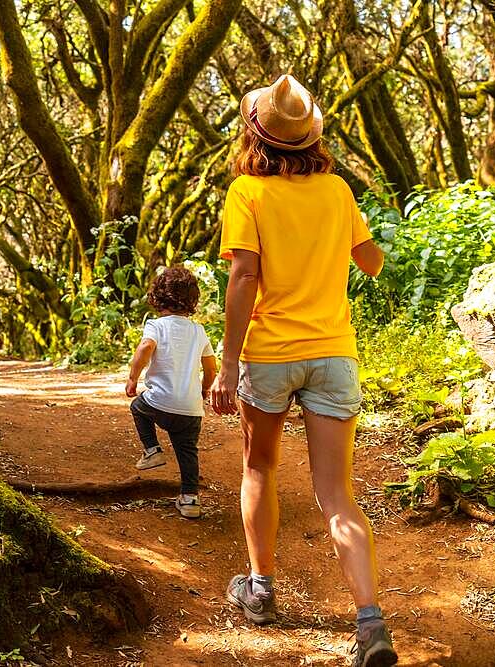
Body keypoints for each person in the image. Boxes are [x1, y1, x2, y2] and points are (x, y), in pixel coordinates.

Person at [209, 74, 393, 667]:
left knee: (259, 466)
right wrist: (336, 236)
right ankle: (370, 623)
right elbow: (373, 263)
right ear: (310, 136)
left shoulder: (247, 193)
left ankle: (260, 590)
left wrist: (228, 360)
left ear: (256, 133)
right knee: (337, 494)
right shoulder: (338, 190)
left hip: (270, 354)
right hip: (335, 353)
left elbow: (243, 276)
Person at [126, 266, 218, 519]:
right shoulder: (198, 331)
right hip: (190, 410)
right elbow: (211, 368)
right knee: (187, 450)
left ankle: (152, 450)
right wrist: (203, 390)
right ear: (192, 300)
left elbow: (145, 347)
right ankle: (190, 500)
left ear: (157, 297)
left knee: (137, 407)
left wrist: (133, 378)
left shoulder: (157, 326)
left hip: (158, 403)